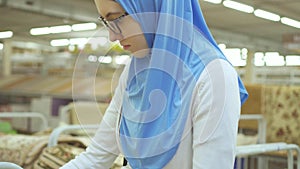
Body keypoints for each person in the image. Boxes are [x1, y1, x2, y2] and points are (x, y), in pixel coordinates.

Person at [61, 0, 248, 168]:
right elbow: (95, 158)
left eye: (116, 19)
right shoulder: (134, 70)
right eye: (105, 22)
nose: (112, 36)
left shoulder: (214, 76)